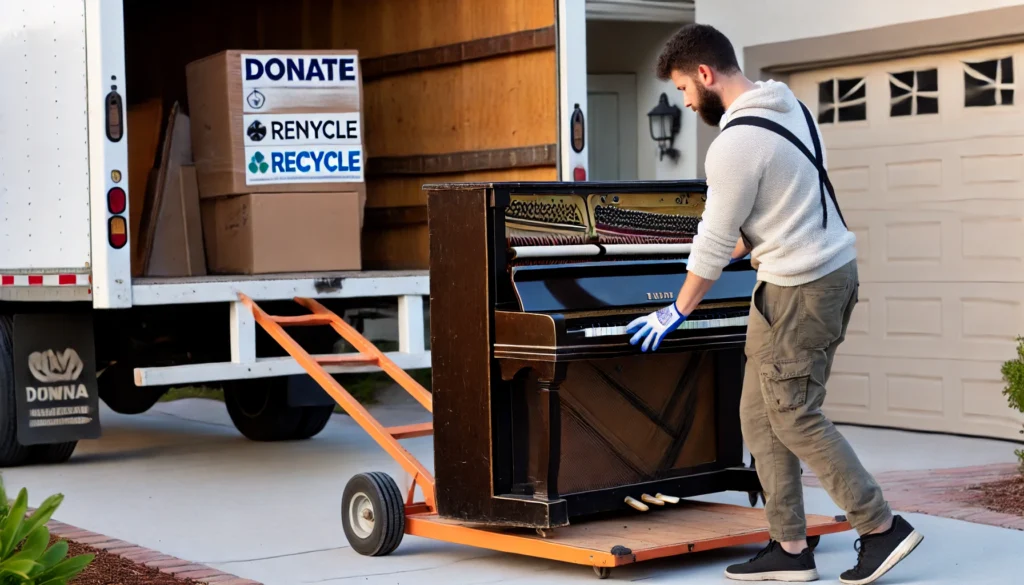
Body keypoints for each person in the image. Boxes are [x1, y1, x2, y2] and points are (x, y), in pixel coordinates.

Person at [626, 23, 923, 584]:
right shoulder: (791, 108)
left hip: (798, 290)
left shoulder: (735, 144)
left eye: (684, 90)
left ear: (705, 75)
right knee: (759, 418)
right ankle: (789, 547)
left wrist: (675, 308)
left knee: (794, 414)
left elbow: (713, 244)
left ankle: (881, 528)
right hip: (820, 276)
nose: (686, 103)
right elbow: (777, 211)